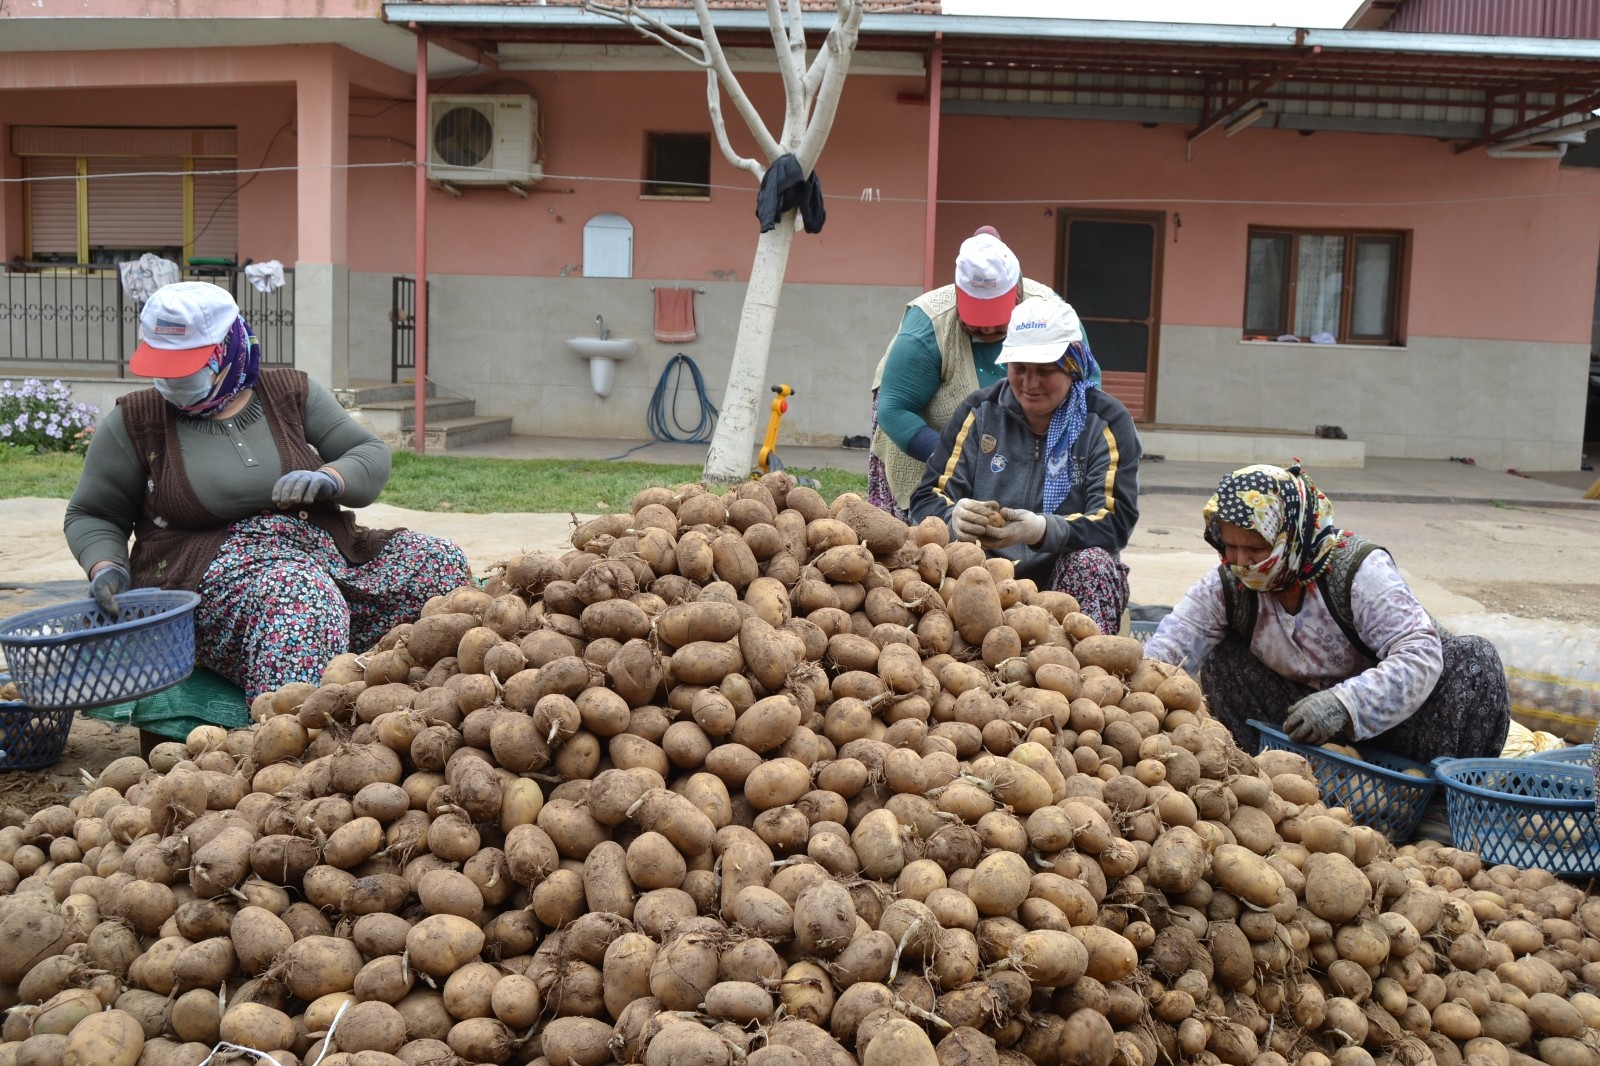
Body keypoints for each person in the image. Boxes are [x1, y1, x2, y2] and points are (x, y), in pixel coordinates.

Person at [64, 281, 472, 702]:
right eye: (164, 366)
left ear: (228, 345)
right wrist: (106, 567)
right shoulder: (136, 421)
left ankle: (398, 696)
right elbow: (93, 513)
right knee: (303, 600)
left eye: (187, 365)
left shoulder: (289, 394)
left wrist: (333, 477)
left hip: (320, 551)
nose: (172, 379)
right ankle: (289, 732)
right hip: (206, 578)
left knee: (437, 563)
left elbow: (366, 451)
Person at [1142, 463, 1511, 763]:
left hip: (1402, 722)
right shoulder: (1227, 585)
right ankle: (1260, 774)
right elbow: (1170, 649)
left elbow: (1419, 653)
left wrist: (1346, 704)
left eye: (1255, 549)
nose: (1240, 562)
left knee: (1475, 659)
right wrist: (1128, 700)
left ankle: (1436, 801)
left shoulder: (1357, 571)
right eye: (1230, 547)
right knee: (1223, 658)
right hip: (1299, 722)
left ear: (1291, 536)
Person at [908, 296, 1139, 635]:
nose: (1030, 384)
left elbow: (1115, 521)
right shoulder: (979, 412)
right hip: (981, 576)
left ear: (1073, 366)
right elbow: (927, 498)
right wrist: (952, 517)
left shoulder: (1104, 423)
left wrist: (1041, 530)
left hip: (1061, 577)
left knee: (1094, 564)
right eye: (1020, 369)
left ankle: (1089, 674)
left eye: (1045, 371)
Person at [869, 228, 1090, 520]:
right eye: (976, 321)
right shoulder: (928, 327)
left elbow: (1087, 389)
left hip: (1032, 453)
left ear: (1019, 294)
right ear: (958, 296)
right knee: (925, 545)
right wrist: (960, 460)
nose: (987, 331)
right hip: (927, 443)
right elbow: (894, 410)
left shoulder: (1052, 314)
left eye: (997, 322)